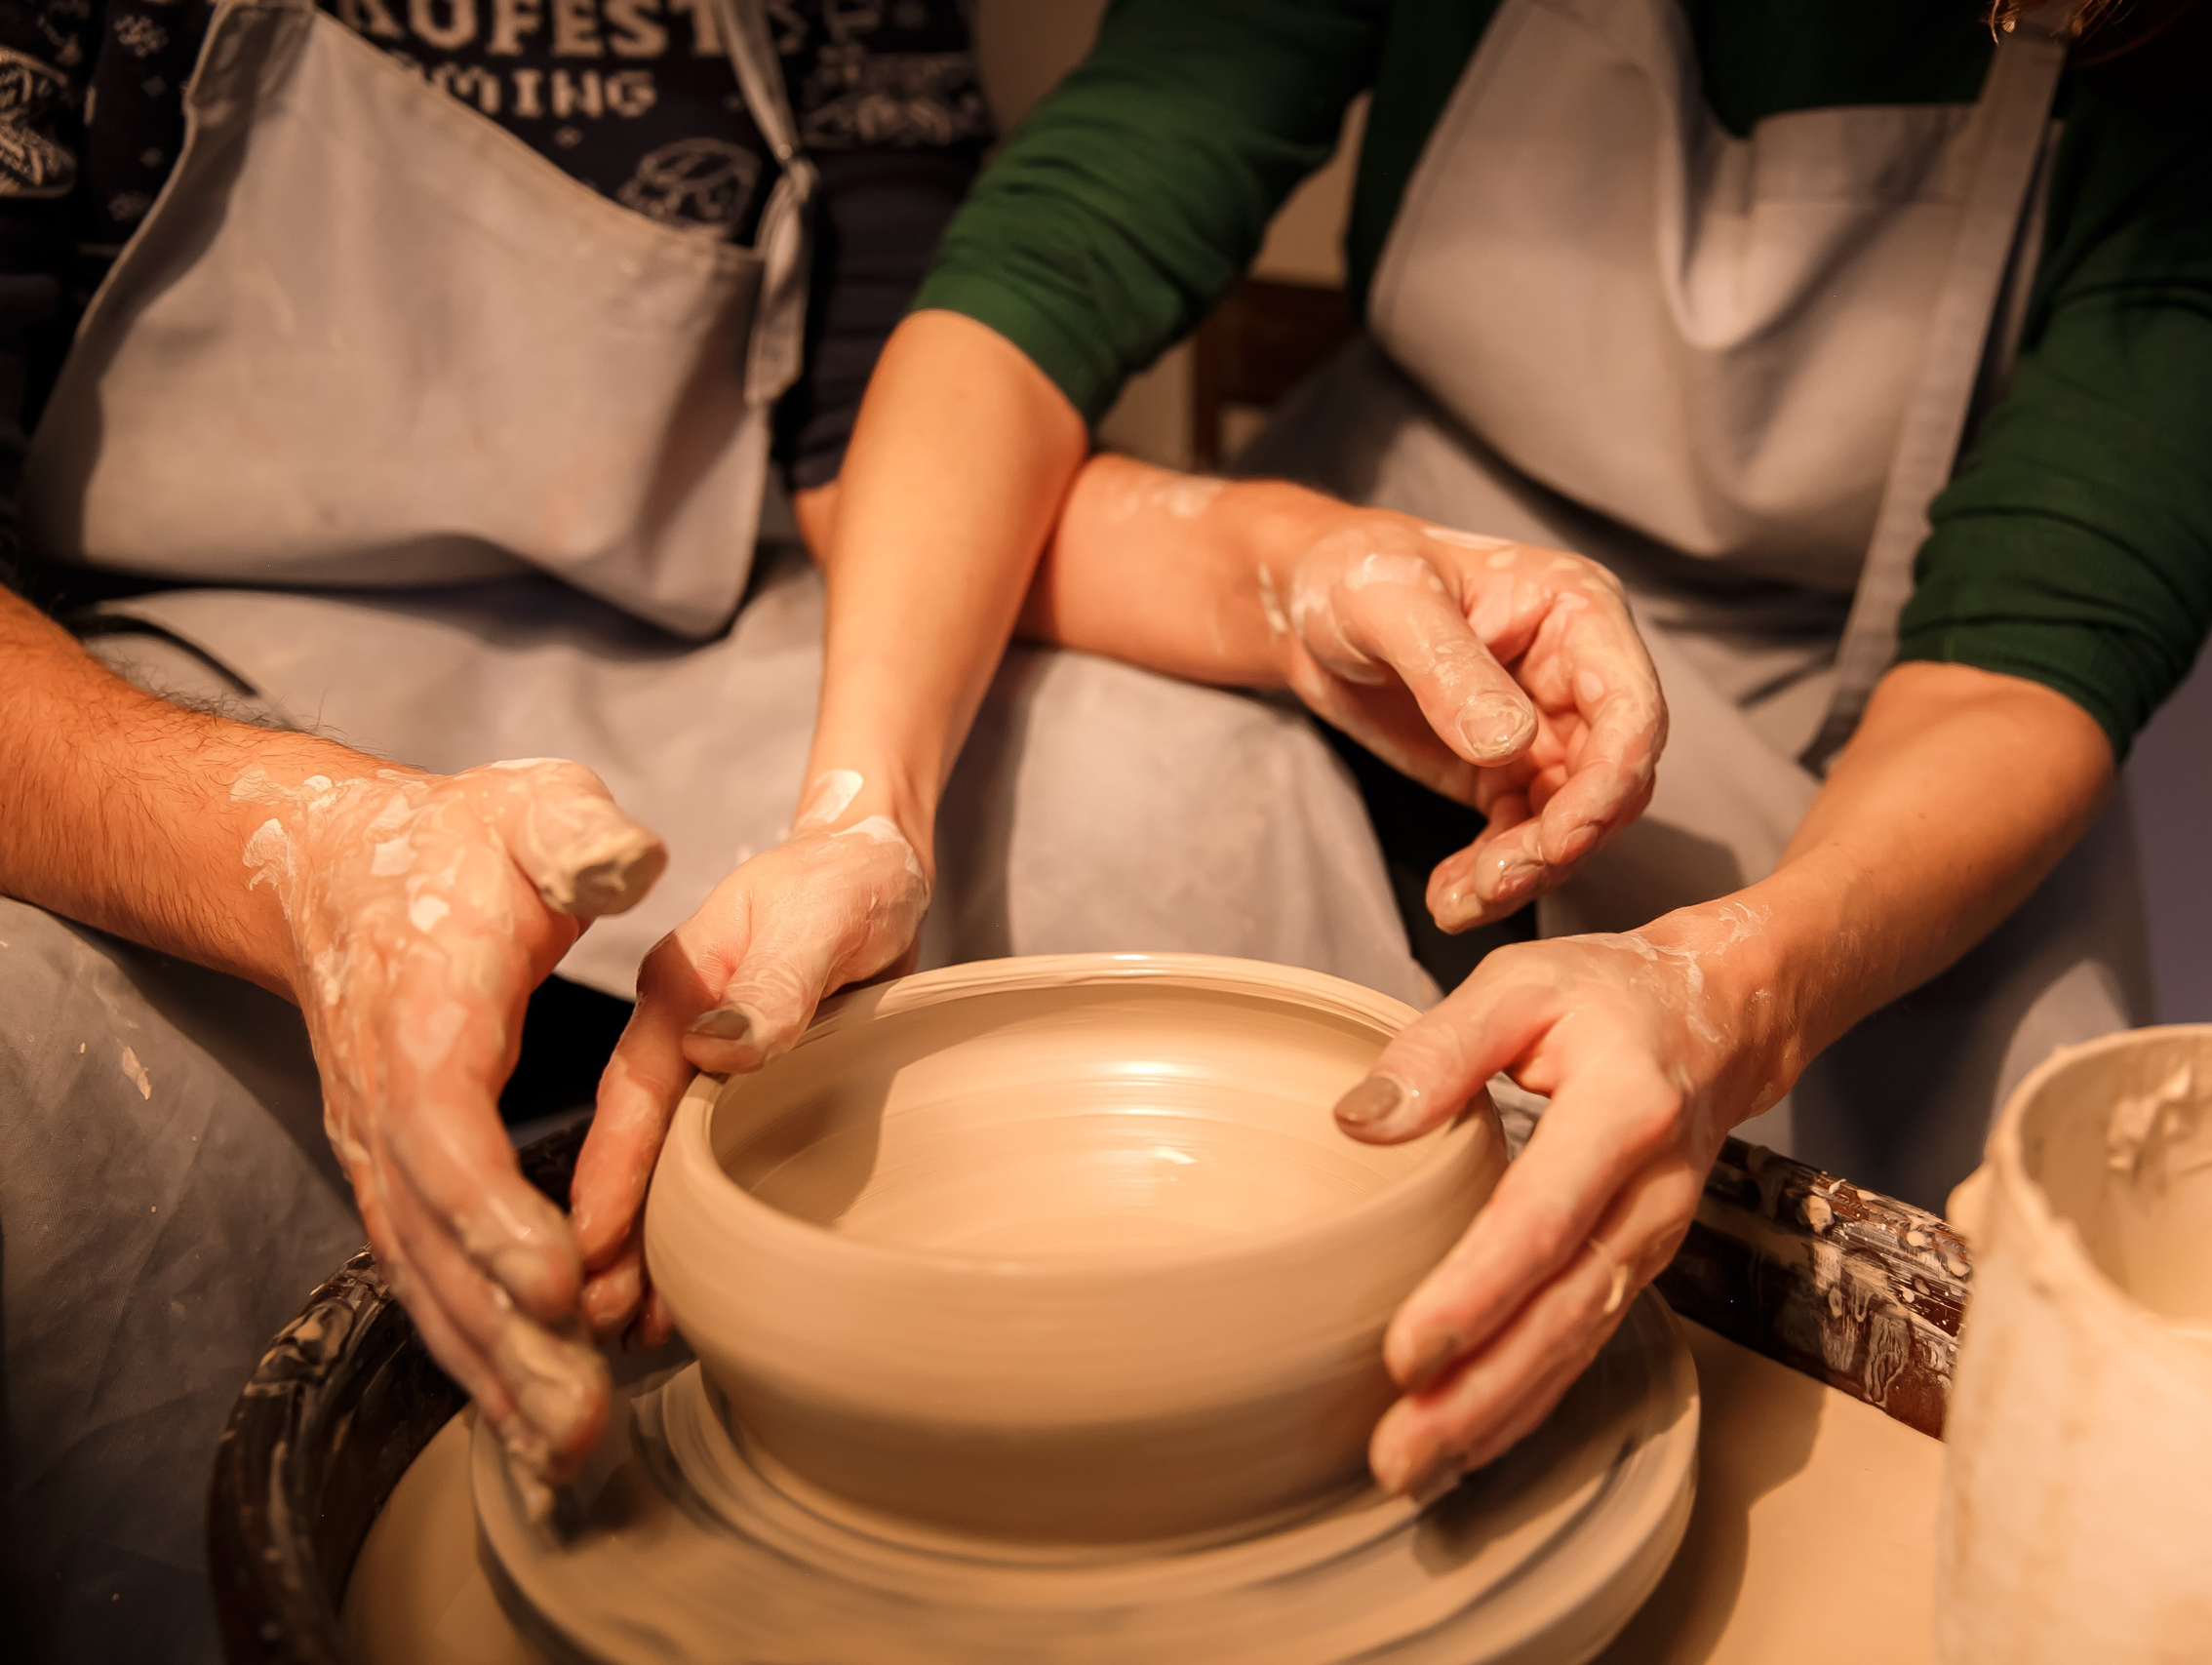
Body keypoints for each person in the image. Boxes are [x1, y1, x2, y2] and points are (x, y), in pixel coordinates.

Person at [0, 0, 1669, 1653]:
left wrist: (1283, 573)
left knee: (1206, 786)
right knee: (42, 1075)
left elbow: (898, 438)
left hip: (716, 628)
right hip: (156, 686)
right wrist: (297, 851)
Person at [705, 0, 2212, 1509]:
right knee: (1109, 820)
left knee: (1986, 1340)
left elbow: (2041, 631)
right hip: (1408, 566)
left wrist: (1733, 984)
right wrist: (866, 819)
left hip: (1909, 706)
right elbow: (1037, 279)